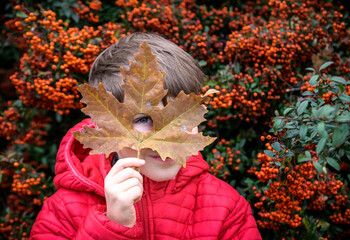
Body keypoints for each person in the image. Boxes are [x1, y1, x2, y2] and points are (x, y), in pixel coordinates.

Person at [30, 32, 262, 239]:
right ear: (105, 126)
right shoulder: (63, 212)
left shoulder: (226, 208)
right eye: (143, 119)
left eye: (180, 117)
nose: (167, 137)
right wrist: (112, 227)